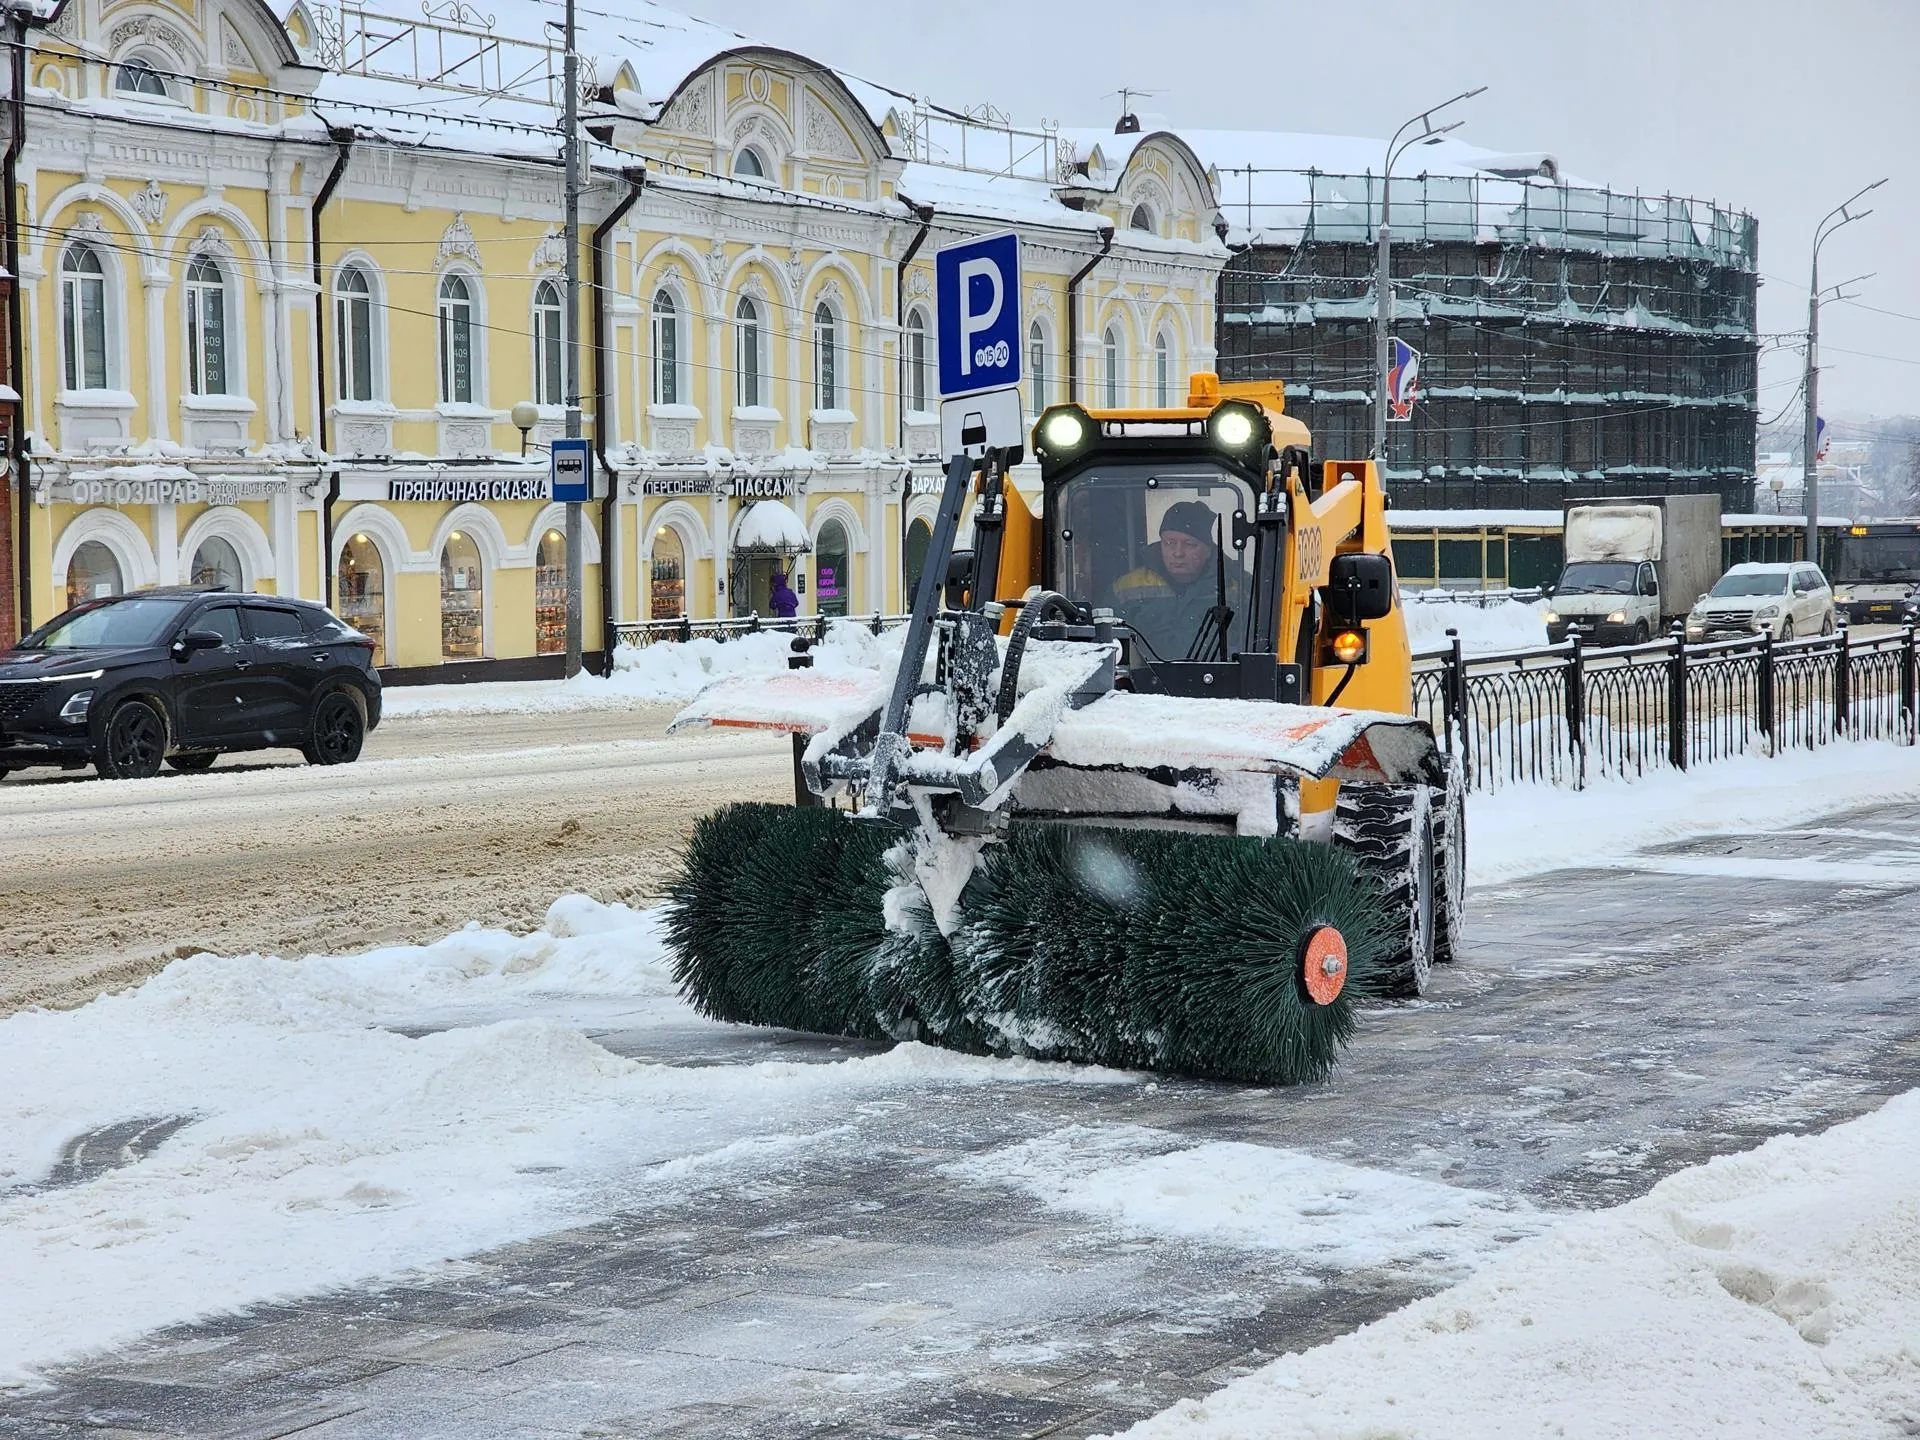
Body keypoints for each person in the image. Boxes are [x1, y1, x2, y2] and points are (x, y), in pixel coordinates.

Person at [1107, 500, 1247, 659]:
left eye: (1190, 544)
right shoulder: (1125, 589)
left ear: (1208, 550)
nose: (1178, 553)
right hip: (1142, 682)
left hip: (1217, 680)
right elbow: (1103, 643)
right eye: (1170, 543)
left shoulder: (1240, 587)